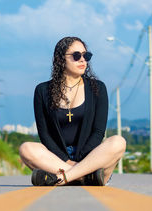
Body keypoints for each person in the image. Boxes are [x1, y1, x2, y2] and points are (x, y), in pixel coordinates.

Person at [19, 36, 126, 186]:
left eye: (86, 55)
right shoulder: (42, 91)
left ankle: (60, 178)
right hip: (57, 158)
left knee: (118, 142)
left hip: (91, 157)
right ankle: (86, 177)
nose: (83, 60)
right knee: (26, 149)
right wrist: (67, 160)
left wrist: (82, 160)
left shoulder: (98, 88)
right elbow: (45, 135)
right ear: (60, 59)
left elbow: (98, 132)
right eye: (76, 56)